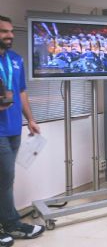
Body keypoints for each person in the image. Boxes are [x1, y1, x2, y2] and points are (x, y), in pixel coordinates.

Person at [0, 15, 45, 247]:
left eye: (10, 31)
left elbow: (21, 93)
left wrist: (31, 119)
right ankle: (11, 223)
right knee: (4, 178)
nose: (9, 35)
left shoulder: (15, 59)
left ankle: (10, 224)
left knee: (6, 179)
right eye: (3, 31)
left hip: (13, 129)